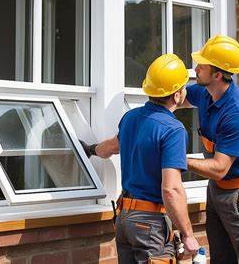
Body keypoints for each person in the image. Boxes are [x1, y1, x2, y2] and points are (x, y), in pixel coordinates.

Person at [81, 54, 200, 263]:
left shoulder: (130, 118)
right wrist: (188, 234)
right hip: (150, 223)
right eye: (183, 87)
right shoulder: (173, 130)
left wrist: (89, 149)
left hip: (124, 218)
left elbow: (111, 147)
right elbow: (171, 189)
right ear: (177, 95)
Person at [183, 35, 239, 264]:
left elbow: (220, 168)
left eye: (202, 65)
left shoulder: (237, 112)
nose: (196, 67)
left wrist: (177, 159)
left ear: (218, 74)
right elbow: (177, 97)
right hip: (217, 189)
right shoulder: (205, 93)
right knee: (221, 258)